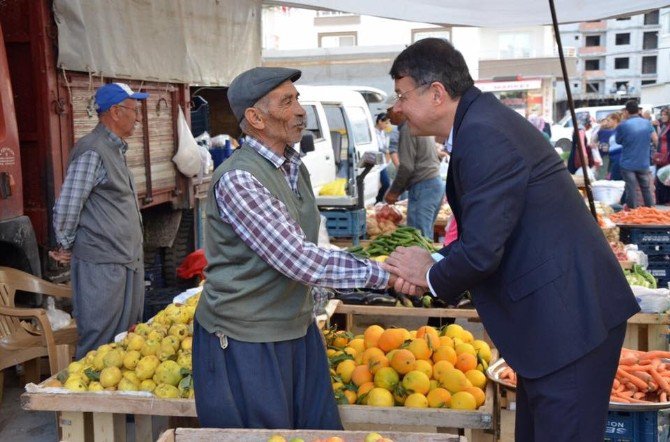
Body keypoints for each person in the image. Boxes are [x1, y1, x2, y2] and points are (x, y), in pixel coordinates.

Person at [381, 38, 640, 441]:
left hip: (568, 324)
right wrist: (435, 260)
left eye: (402, 95)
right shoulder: (480, 124)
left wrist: (430, 275)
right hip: (553, 325)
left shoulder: (484, 133)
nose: (397, 109)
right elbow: (495, 230)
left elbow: (483, 250)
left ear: (436, 93)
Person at [192, 67, 396, 430]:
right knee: (265, 436)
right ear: (255, 118)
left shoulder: (292, 167)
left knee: (317, 433)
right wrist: (389, 275)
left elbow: (311, 242)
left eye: (297, 98)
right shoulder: (241, 178)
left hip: (296, 329)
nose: (300, 110)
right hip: (247, 339)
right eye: (287, 101)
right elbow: (298, 258)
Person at [50, 83, 148, 359]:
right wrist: (66, 245)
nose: (138, 117)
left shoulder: (114, 149)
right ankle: (92, 402)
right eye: (134, 110)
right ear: (115, 112)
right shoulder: (92, 149)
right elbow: (68, 205)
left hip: (124, 261)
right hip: (103, 264)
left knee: (126, 342)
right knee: (99, 342)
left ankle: (116, 402)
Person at [384, 104, 444, 239]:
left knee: (418, 237)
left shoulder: (407, 128)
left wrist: (394, 192)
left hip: (424, 186)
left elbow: (406, 166)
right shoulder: (418, 125)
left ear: (399, 109)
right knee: (424, 237)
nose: (387, 115)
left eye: (389, 110)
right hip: (432, 185)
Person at [616, 99, 658, 208]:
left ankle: (633, 213)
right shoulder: (647, 123)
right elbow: (655, 139)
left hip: (628, 163)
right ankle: (651, 211)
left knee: (631, 189)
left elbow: (618, 141)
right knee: (646, 189)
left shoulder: (623, 125)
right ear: (637, 110)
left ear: (626, 111)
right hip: (643, 163)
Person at [375, 112, 392, 203]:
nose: (387, 125)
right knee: (385, 183)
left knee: (385, 183)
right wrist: (386, 151)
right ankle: (377, 201)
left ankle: (378, 201)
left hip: (383, 161)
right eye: (386, 123)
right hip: (377, 160)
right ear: (380, 121)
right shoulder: (374, 132)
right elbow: (378, 147)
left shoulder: (383, 133)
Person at [654, 107, 670, 204]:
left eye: (665, 114)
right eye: (662, 114)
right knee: (660, 176)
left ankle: (667, 199)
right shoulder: (664, 126)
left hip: (667, 156)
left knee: (666, 176)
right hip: (661, 155)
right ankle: (662, 199)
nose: (663, 116)